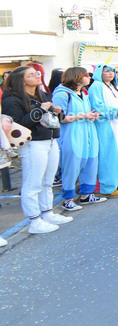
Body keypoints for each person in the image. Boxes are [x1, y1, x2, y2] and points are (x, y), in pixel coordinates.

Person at [1, 66, 72, 233]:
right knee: (33, 182)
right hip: (32, 143)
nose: (36, 76)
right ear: (21, 80)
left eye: (37, 73)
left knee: (48, 181)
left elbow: (55, 119)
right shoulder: (11, 99)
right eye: (31, 75)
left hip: (50, 139)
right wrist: (42, 110)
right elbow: (19, 124)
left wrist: (57, 112)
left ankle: (47, 212)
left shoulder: (42, 95)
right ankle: (34, 220)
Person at [50, 67, 106, 210]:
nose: (89, 77)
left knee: (90, 162)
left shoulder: (83, 93)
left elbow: (85, 112)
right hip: (71, 134)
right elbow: (60, 118)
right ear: (77, 77)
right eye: (86, 75)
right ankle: (68, 199)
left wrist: (92, 116)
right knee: (72, 166)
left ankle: (86, 195)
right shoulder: (62, 94)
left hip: (88, 132)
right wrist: (83, 116)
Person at [89, 64, 118, 198]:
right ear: (99, 73)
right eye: (106, 72)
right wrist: (117, 112)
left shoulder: (114, 87)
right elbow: (98, 106)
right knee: (110, 155)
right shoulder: (96, 86)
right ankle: (108, 187)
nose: (110, 74)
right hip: (107, 124)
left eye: (111, 72)